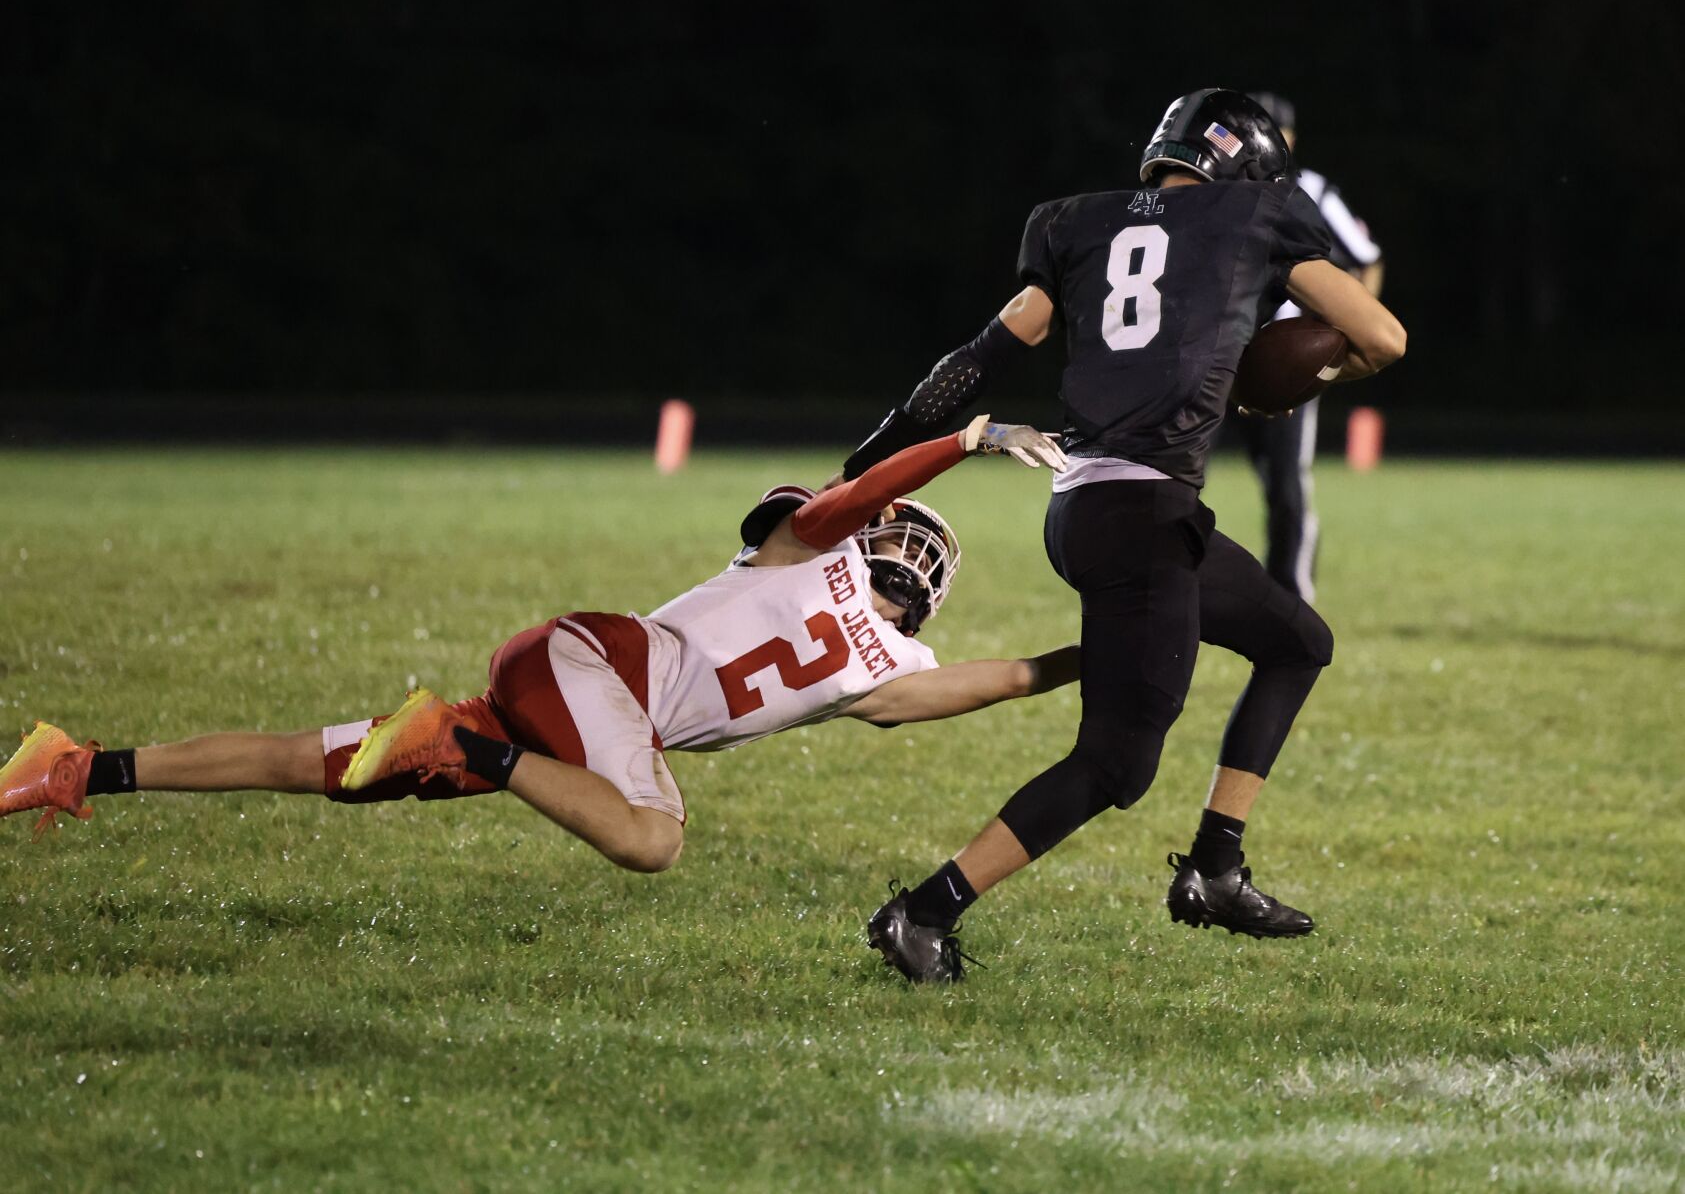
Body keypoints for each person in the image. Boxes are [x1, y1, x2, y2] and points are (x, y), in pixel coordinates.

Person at [844, 89, 1406, 983]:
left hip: (1094, 506)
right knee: (1115, 763)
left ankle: (1215, 869)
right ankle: (922, 912)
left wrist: (876, 449)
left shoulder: (1072, 223)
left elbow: (982, 357)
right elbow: (1381, 334)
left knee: (1297, 641)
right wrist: (1299, 376)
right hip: (1141, 520)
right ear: (1247, 167)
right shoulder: (1258, 211)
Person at [1, 418, 1076, 876]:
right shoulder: (832, 584)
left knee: (318, 764)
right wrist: (966, 445)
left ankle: (77, 765)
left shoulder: (859, 631)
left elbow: (994, 674)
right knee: (653, 839)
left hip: (581, 699)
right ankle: (471, 752)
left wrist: (1096, 647)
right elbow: (880, 509)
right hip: (595, 672)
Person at [1237, 91, 1386, 600]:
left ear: (1291, 139)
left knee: (1285, 485)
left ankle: (1289, 596)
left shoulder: (1313, 193)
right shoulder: (1216, 191)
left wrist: (1343, 331)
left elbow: (1366, 256)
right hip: (1217, 357)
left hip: (1281, 362)